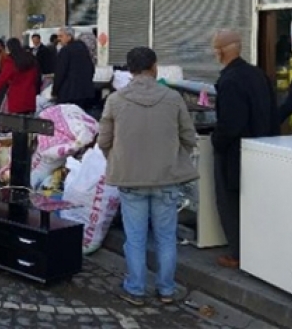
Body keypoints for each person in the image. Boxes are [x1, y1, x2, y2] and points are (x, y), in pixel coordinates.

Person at [98, 46, 198, 306]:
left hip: (130, 179)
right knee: (166, 237)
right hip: (166, 178)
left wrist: (120, 159)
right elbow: (189, 137)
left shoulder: (116, 100)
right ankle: (166, 289)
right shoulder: (173, 97)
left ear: (129, 70)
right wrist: (172, 157)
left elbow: (104, 141)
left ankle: (136, 289)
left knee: (135, 238)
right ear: (154, 67)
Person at [211, 29, 279, 269]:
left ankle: (238, 253)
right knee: (256, 204)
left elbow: (230, 124)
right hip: (263, 147)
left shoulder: (229, 81)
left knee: (231, 204)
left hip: (234, 153)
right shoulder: (258, 74)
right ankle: (258, 249)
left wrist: (215, 142)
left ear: (220, 51)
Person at [0, 37, 40, 114]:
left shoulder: (11, 61)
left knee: (17, 123)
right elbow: (36, 76)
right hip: (30, 97)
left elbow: (1, 79)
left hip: (17, 98)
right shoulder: (30, 58)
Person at [52, 27, 95, 111]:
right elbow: (91, 68)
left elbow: (60, 73)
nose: (58, 39)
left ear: (69, 37)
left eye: (61, 36)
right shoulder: (83, 49)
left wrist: (55, 91)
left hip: (68, 93)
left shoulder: (65, 51)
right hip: (84, 92)